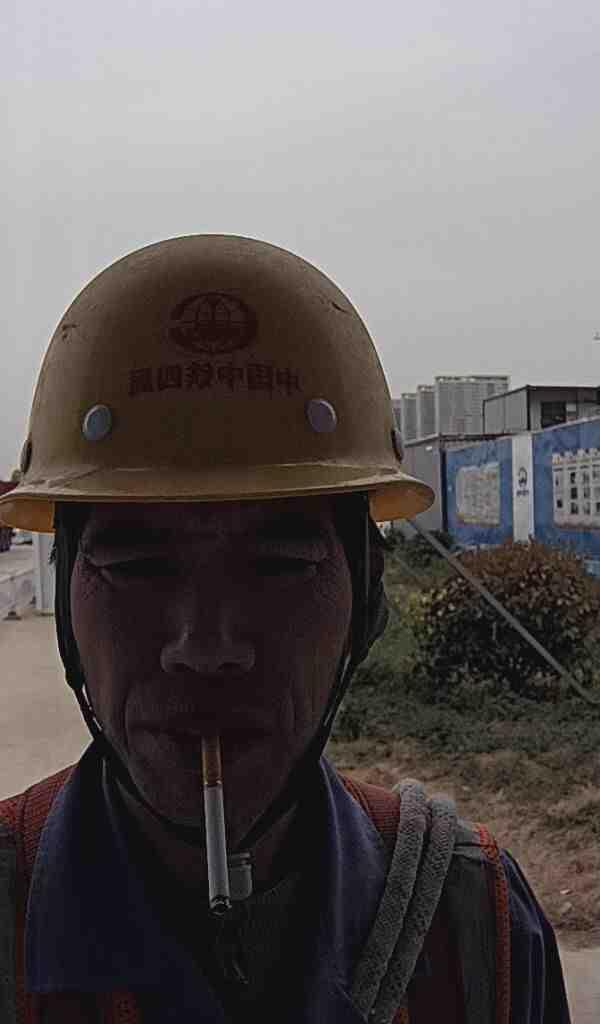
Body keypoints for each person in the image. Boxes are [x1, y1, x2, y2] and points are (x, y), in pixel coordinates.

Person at [0, 235, 570, 1023]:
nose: (205, 647)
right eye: (135, 565)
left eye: (278, 563)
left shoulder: (479, 928)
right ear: (66, 601)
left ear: (365, 600)